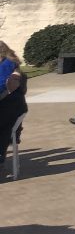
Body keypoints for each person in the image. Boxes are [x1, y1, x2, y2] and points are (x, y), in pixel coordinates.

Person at [0, 41, 28, 174]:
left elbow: (2, 86)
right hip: (14, 106)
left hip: (11, 108)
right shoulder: (10, 63)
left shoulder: (6, 65)